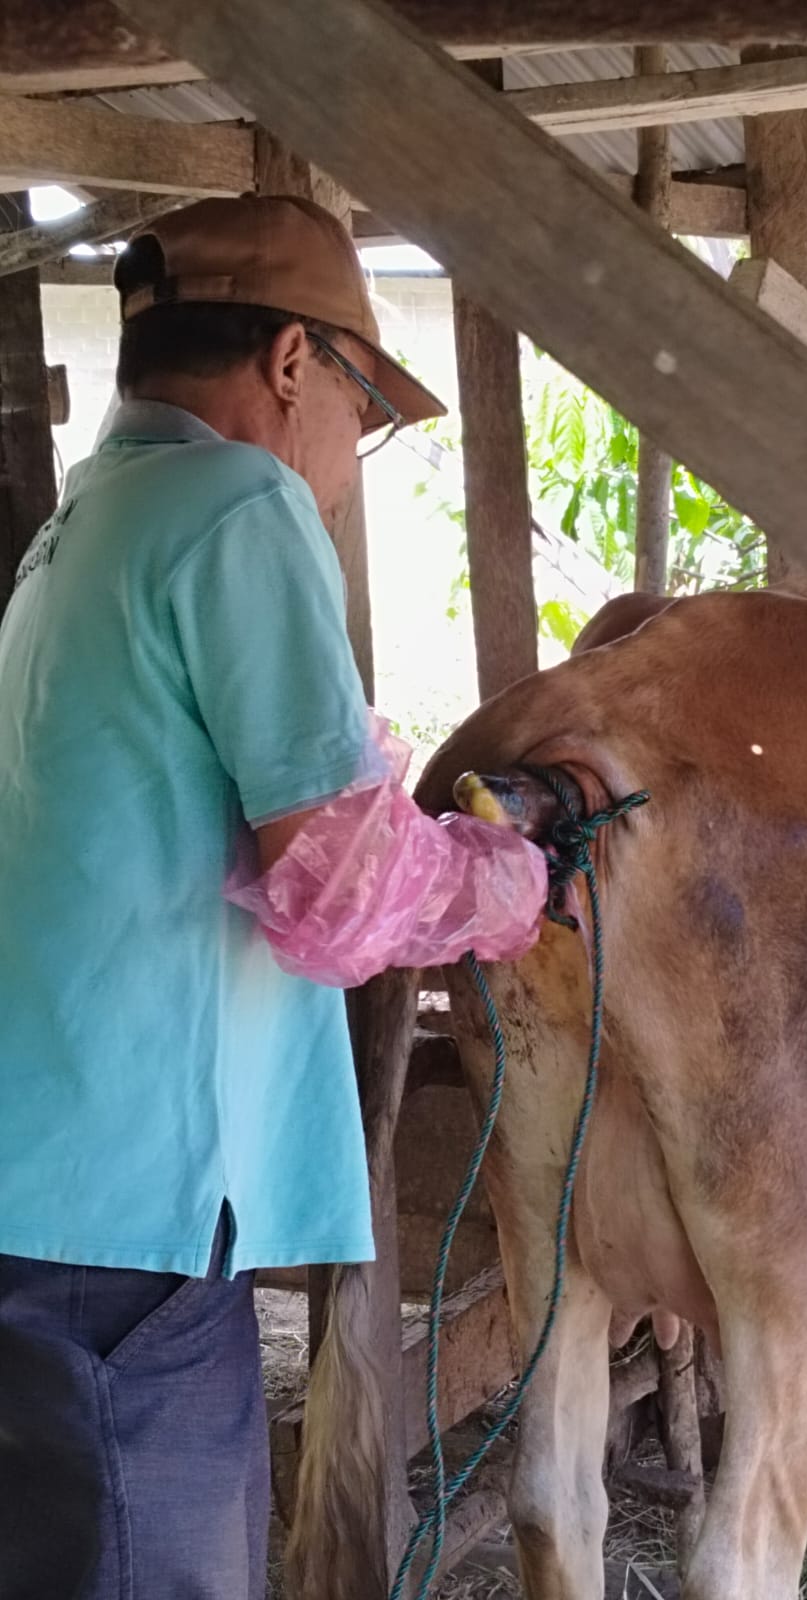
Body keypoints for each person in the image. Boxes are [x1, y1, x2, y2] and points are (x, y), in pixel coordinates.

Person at [0, 194, 542, 1600]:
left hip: (46, 1188)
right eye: (362, 411)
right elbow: (346, 891)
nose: (349, 466)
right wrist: (507, 877)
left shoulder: (81, 528)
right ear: (294, 363)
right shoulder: (234, 503)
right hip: (136, 1215)